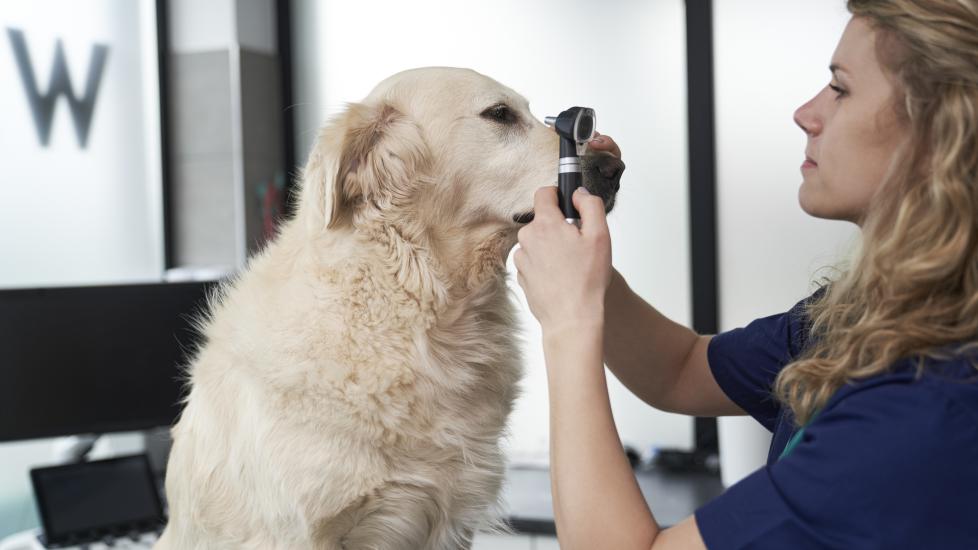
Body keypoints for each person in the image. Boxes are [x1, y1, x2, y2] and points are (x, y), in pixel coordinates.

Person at [513, 0, 978, 548]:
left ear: (939, 135)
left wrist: (569, 323)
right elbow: (679, 369)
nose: (806, 113)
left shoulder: (925, 412)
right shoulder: (864, 317)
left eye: (841, 88)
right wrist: (584, 266)